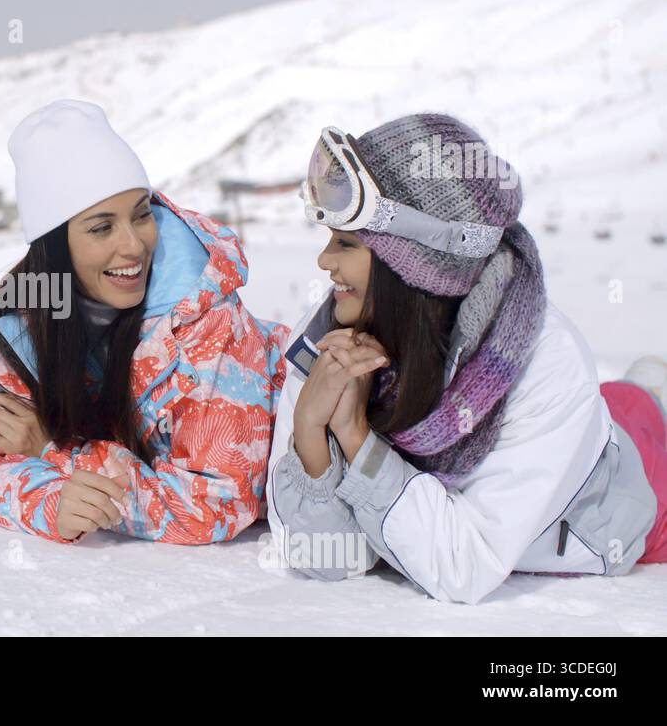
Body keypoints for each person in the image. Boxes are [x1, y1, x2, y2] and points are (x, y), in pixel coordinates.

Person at [266, 113, 667, 603]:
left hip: (616, 498)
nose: (324, 261)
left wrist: (356, 439)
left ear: (415, 261)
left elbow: (462, 565)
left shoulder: (547, 361)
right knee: (622, 404)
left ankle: (649, 395)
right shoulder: (332, 332)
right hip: (572, 424)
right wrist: (309, 430)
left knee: (643, 424)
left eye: (347, 243)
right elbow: (329, 556)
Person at [0, 99, 287, 544]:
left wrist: (57, 454)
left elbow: (216, 504)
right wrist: (46, 501)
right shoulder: (30, 313)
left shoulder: (206, 322)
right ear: (56, 246)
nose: (133, 245)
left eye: (141, 213)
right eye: (102, 228)